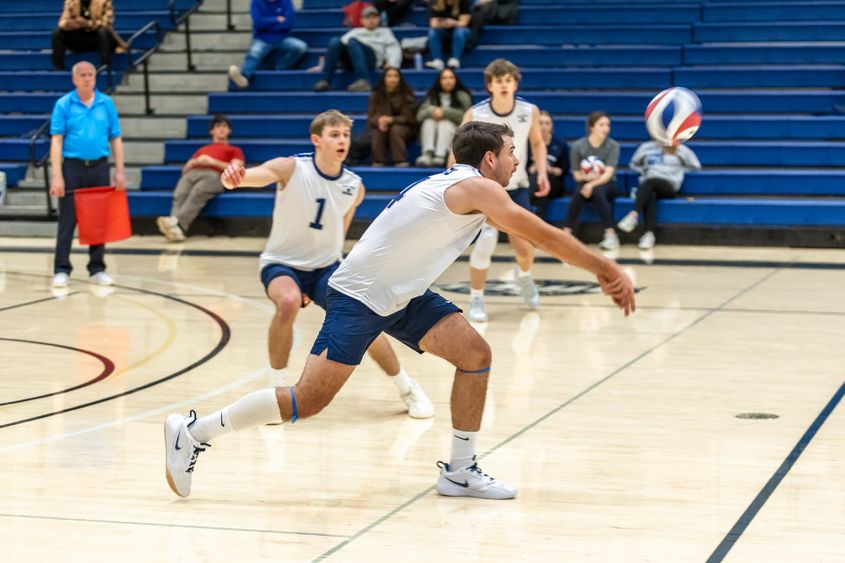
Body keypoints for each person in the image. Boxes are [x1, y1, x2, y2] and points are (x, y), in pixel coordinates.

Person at [163, 121, 636, 500]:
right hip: (361, 296)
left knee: (475, 354)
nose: (517, 161)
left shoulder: (469, 188)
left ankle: (460, 470)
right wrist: (606, 268)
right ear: (490, 158)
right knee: (308, 402)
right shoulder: (478, 187)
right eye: (513, 152)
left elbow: (527, 235)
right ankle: (195, 431)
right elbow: (541, 233)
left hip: (402, 293)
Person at [212, 109, 433, 417]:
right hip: (282, 263)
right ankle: (275, 392)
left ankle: (407, 388)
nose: (342, 140)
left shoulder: (354, 185)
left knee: (364, 322)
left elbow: (339, 233)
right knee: (287, 302)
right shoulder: (291, 167)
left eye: (345, 135)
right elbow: (253, 176)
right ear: (317, 140)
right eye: (334, 134)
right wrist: (235, 177)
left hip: (326, 268)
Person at [453, 58, 550, 323]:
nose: (504, 85)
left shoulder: (530, 111)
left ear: (516, 83)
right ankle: (476, 298)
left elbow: (538, 144)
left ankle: (526, 277)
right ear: (490, 86)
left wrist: (541, 172)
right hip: (484, 190)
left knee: (525, 247)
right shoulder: (475, 114)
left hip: (517, 187)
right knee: (485, 244)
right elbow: (457, 151)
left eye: (508, 80)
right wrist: (450, 180)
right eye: (499, 81)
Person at [49, 61, 125, 288]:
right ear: (74, 79)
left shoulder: (106, 103)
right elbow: (56, 140)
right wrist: (57, 175)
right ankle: (61, 269)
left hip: (100, 167)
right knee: (67, 220)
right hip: (72, 167)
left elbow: (116, 138)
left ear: (95, 78)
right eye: (82, 75)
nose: (87, 78)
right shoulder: (63, 104)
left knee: (98, 221)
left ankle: (97, 268)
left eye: (90, 74)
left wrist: (119, 170)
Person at [156, 115, 246, 242]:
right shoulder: (202, 149)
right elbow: (185, 170)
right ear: (212, 131)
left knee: (197, 194)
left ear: (229, 131)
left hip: (214, 175)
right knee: (179, 194)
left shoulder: (234, 150)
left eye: (225, 126)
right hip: (193, 172)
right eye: (218, 126)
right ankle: (176, 229)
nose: (221, 129)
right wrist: (193, 163)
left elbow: (236, 168)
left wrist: (212, 162)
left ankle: (176, 223)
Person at [617, 140, 701, 250]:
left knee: (650, 182)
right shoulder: (646, 147)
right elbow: (633, 164)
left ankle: (634, 214)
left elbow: (696, 166)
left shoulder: (680, 148)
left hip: (669, 185)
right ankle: (649, 235)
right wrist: (643, 170)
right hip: (649, 185)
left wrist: (679, 170)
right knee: (651, 195)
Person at [565, 111, 621, 251]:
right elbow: (577, 176)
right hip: (587, 183)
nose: (606, 128)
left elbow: (608, 175)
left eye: (608, 125)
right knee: (580, 191)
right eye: (601, 125)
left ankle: (611, 235)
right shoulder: (578, 146)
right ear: (591, 127)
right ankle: (566, 233)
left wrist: (591, 183)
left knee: (596, 190)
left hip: (609, 184)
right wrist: (587, 178)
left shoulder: (613, 146)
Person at [314, 6, 402, 93]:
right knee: (335, 41)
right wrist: (325, 65)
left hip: (371, 60)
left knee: (352, 42)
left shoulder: (385, 32)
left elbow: (394, 48)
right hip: (350, 62)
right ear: (362, 20)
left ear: (378, 19)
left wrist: (392, 63)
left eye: (374, 17)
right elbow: (337, 48)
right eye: (368, 18)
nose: (371, 20)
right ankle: (325, 80)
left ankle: (364, 80)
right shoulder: (355, 32)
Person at [228, 0, 308, 89]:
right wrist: (277, 19)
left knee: (301, 47)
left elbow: (288, 23)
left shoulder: (286, 2)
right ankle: (244, 77)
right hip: (262, 38)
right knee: (255, 53)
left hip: (282, 38)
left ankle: (281, 68)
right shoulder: (256, 2)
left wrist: (267, 23)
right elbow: (258, 23)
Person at [415, 68, 472, 167]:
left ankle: (441, 155)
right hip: (433, 130)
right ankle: (427, 154)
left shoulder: (463, 96)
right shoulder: (432, 95)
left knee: (444, 123)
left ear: (455, 80)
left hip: (454, 132)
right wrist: (432, 111)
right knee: (429, 121)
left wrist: (445, 113)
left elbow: (466, 118)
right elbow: (419, 116)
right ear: (439, 81)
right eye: (444, 78)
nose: (448, 81)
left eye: (451, 78)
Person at [52, 0, 126, 71]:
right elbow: (62, 22)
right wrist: (69, 24)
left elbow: (107, 23)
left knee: (103, 32)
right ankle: (58, 69)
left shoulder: (104, 1)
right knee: (58, 33)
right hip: (80, 38)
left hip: (98, 37)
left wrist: (87, 23)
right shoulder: (71, 1)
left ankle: (105, 67)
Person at [367, 67, 417, 167]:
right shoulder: (376, 95)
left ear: (399, 79)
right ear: (384, 78)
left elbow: (409, 118)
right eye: (389, 76)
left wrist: (391, 120)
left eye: (395, 76)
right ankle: (378, 161)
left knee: (396, 129)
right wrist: (379, 121)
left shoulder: (407, 94)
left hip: (405, 128)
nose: (392, 79)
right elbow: (371, 118)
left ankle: (400, 161)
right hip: (383, 128)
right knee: (378, 130)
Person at [528, 110, 569, 219]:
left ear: (552, 126)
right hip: (533, 182)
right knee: (541, 193)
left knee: (543, 177)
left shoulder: (560, 144)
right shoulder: (528, 144)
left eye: (547, 123)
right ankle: (537, 225)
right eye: (540, 123)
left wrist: (548, 169)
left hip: (554, 184)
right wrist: (536, 167)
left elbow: (564, 170)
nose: (544, 126)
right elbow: (523, 169)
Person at [426, 0, 471, 70]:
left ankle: (455, 59)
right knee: (432, 32)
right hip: (443, 30)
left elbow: (464, 23)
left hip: (459, 30)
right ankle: (437, 60)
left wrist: (453, 23)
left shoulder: (463, 2)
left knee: (459, 32)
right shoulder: (436, 3)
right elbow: (433, 24)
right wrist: (443, 24)